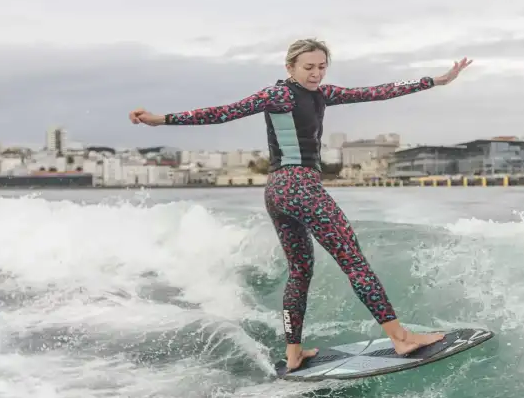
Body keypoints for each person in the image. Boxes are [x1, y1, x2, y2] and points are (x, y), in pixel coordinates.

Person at [129, 38, 472, 372]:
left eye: (322, 67)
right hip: (300, 186)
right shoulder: (277, 94)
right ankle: (401, 338)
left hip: (276, 191)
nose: (316, 73)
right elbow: (223, 113)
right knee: (353, 261)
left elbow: (376, 91)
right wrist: (161, 119)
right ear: (289, 67)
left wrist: (435, 80)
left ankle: (293, 352)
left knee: (300, 271)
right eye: (308, 67)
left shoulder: (324, 94)